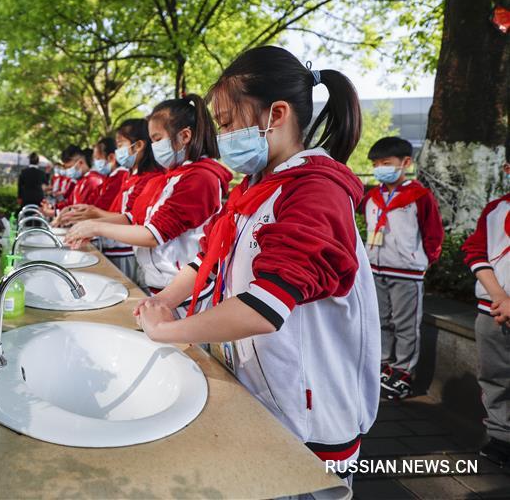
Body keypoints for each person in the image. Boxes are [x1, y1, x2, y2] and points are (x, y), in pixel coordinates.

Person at [136, 46, 379, 479]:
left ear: (277, 113)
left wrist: (168, 331)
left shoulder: (314, 191)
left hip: (307, 419)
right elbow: (208, 257)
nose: (224, 135)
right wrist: (163, 302)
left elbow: (263, 307)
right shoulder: (256, 187)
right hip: (265, 393)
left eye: (228, 123)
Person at [65, 94, 231, 301]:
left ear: (185, 136)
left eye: (157, 139)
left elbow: (153, 235)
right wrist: (91, 221)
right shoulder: (173, 176)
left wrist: (96, 226)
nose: (155, 147)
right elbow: (135, 219)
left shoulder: (200, 178)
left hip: (184, 291)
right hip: (163, 284)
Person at [359, 136, 444, 400]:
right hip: (375, 269)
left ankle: (404, 372)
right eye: (375, 164)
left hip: (406, 272)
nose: (379, 168)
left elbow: (433, 234)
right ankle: (384, 364)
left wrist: (423, 261)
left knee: (406, 324)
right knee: (381, 321)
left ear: (406, 162)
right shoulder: (372, 197)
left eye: (386, 163)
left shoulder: (419, 196)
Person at [60, 119, 164, 280]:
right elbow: (127, 216)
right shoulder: (129, 176)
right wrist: (88, 217)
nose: (118, 151)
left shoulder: (150, 178)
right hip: (126, 249)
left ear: (139, 145)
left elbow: (136, 223)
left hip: (132, 252)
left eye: (121, 145)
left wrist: (94, 221)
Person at [461, 161, 510, 467]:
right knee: (495, 378)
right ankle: (501, 437)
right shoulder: (495, 209)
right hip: (493, 312)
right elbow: (475, 252)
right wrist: (500, 296)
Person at [42, 144, 105, 215]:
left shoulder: (93, 181)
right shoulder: (81, 181)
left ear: (80, 162)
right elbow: (70, 203)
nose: (68, 171)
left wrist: (54, 212)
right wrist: (53, 208)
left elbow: (83, 210)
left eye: (70, 167)